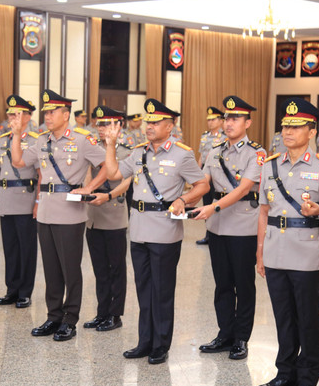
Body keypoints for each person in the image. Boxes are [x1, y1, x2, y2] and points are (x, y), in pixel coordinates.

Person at [105, 98, 207, 365]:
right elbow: (114, 173)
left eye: (155, 122)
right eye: (148, 121)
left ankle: (161, 344)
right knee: (143, 289)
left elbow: (202, 185)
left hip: (164, 231)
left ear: (170, 126)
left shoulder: (182, 154)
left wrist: (184, 200)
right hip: (138, 230)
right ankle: (144, 341)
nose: (149, 126)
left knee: (161, 291)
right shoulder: (139, 152)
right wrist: (110, 144)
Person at [256, 97, 319, 386]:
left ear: (312, 131)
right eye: (285, 126)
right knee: (283, 317)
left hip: (306, 254)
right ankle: (285, 373)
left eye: (296, 127)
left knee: (306, 317)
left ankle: (307, 377)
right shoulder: (269, 166)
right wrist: (260, 253)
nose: (288, 132)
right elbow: (264, 211)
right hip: (274, 252)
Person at [9, 89, 108, 342]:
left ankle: (70, 319)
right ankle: (53, 316)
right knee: (51, 269)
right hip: (45, 212)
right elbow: (19, 162)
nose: (48, 116)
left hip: (70, 213)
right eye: (46, 112)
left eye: (53, 112)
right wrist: (17, 134)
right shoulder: (41, 140)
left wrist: (90, 187)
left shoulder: (83, 139)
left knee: (70, 269)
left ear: (66, 114)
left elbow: (109, 165)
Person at [193, 96, 265, 360]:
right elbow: (203, 183)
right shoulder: (215, 150)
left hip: (243, 226)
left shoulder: (256, 153)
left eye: (236, 118)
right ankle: (225, 334)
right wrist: (182, 199)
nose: (229, 122)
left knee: (243, 285)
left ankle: (241, 339)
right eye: (227, 117)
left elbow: (244, 188)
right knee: (222, 284)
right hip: (218, 227)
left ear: (248, 122)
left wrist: (212, 207)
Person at [82, 106, 133, 332]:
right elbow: (87, 172)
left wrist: (109, 194)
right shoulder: (91, 147)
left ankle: (115, 314)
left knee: (116, 268)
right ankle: (102, 312)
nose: (103, 129)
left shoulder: (125, 150)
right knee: (99, 268)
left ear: (118, 125)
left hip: (113, 212)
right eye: (100, 124)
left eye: (109, 124)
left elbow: (127, 181)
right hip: (93, 214)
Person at [0, 95, 40, 309]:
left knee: (26, 249)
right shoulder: (3, 139)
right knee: (10, 248)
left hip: (26, 199)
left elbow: (41, 175)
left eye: (17, 114)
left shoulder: (35, 140)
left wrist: (38, 201)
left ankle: (24, 292)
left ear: (28, 117)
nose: (11, 118)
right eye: (10, 114)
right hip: (6, 200)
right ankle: (11, 290)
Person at [195, 106, 227, 245]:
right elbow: (201, 157)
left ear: (221, 121)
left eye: (213, 120)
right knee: (207, 203)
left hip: (219, 176)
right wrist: (197, 176)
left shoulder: (226, 137)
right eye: (209, 120)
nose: (210, 122)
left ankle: (217, 234)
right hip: (206, 175)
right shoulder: (205, 136)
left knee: (217, 204)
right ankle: (208, 233)